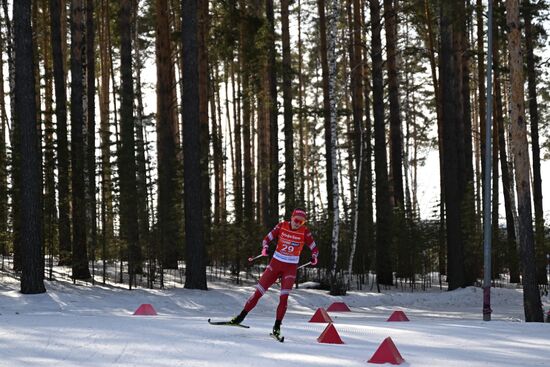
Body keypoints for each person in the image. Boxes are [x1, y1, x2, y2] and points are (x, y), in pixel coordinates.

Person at [229, 208, 319, 339]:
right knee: (258, 293)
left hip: (290, 267)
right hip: (275, 264)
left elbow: (314, 248)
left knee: (284, 298)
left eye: (301, 222)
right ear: (291, 217)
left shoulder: (304, 232)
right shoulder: (282, 226)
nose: (298, 223)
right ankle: (240, 318)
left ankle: (277, 327)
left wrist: (314, 256)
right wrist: (265, 248)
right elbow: (266, 239)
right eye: (296, 220)